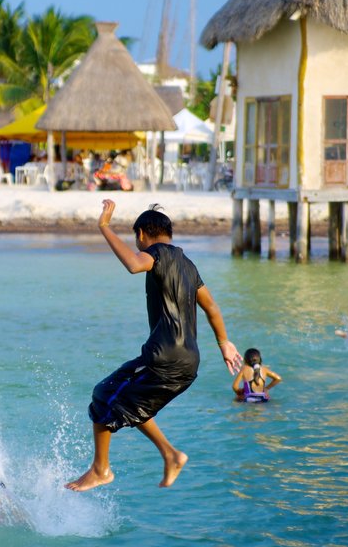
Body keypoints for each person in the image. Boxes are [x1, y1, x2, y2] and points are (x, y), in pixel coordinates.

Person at [65, 200, 243, 492]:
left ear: (143, 234)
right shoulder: (188, 265)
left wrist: (104, 227)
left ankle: (101, 470)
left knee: (102, 396)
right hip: (189, 363)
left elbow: (135, 265)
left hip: (164, 357)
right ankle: (171, 455)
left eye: (138, 239)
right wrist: (224, 343)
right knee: (132, 405)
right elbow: (211, 307)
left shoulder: (156, 253)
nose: (139, 246)